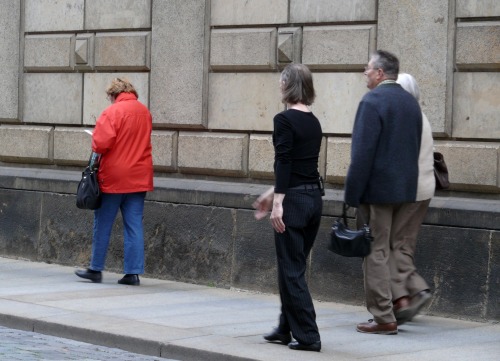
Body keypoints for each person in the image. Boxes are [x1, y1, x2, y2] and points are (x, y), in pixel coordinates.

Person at [344, 50, 429, 334]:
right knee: (391, 249)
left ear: (380, 73)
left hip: (377, 192)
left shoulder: (372, 101)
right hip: (405, 192)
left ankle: (383, 317)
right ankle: (392, 308)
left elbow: (362, 154)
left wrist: (351, 195)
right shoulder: (410, 103)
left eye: (367, 69)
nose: (364, 73)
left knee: (376, 252)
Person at [253, 63, 323, 352]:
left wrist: (278, 203)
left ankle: (308, 336)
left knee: (292, 271)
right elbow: (301, 166)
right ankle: (286, 327)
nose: (279, 84)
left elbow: (283, 161)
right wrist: (273, 193)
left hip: (293, 204)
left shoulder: (284, 120)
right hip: (312, 201)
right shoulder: (314, 121)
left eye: (282, 80)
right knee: (292, 267)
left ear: (289, 85)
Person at [75, 78, 153, 286]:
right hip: (139, 176)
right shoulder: (144, 112)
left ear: (113, 94)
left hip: (115, 177)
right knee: (134, 224)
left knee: (103, 223)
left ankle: (95, 269)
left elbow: (101, 144)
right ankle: (133, 274)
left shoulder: (112, 112)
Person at [392, 73, 434, 324]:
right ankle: (403, 298)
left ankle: (416, 290)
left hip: (410, 191)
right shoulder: (420, 114)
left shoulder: (406, 118)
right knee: (403, 244)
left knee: (392, 244)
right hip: (424, 190)